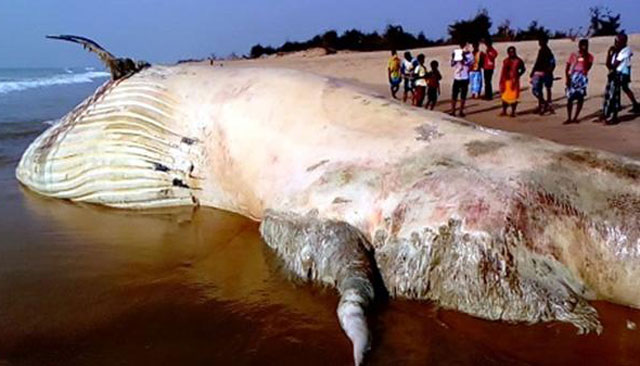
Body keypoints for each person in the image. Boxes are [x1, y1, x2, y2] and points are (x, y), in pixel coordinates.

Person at [602, 33, 640, 124]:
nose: (616, 43)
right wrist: (609, 54)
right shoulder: (616, 52)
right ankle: (634, 104)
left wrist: (612, 63)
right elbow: (609, 65)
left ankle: (614, 116)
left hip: (621, 74)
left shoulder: (626, 51)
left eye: (618, 41)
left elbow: (615, 64)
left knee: (615, 94)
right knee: (617, 91)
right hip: (616, 74)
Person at [564, 39, 594, 124]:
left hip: (582, 78)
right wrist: (567, 78)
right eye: (583, 45)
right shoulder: (573, 55)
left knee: (580, 98)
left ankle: (575, 117)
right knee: (570, 98)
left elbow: (587, 68)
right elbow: (567, 67)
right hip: (573, 76)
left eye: (586, 46)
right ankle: (569, 117)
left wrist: (584, 58)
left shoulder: (589, 57)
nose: (584, 47)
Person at [530, 35, 556, 115]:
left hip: (544, 72)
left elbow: (552, 63)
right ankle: (543, 104)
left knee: (541, 89)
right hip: (540, 72)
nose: (540, 43)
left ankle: (545, 104)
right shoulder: (542, 50)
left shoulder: (547, 51)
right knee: (538, 89)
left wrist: (549, 71)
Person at [499, 46, 526, 117]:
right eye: (510, 52)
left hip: (514, 81)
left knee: (514, 97)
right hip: (505, 80)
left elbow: (523, 69)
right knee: (504, 97)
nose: (512, 53)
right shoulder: (505, 61)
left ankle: (513, 112)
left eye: (513, 52)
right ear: (508, 53)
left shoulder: (518, 61)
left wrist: (518, 75)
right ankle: (504, 111)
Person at [450, 41, 474, 117]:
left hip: (465, 76)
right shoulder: (457, 53)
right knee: (454, 95)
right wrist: (454, 58)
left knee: (463, 95)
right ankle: (453, 111)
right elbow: (452, 64)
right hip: (457, 76)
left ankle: (461, 111)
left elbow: (469, 64)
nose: (465, 47)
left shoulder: (470, 55)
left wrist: (463, 58)